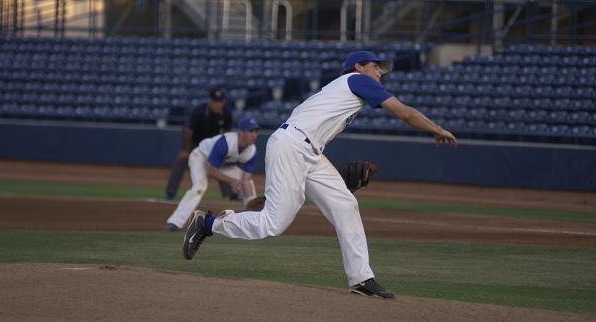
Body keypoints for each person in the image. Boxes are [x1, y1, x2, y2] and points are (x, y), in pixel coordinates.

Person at [181, 51, 458, 299]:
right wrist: (436, 129)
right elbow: (404, 113)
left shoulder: (348, 89)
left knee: (345, 205)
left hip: (309, 151)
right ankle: (207, 224)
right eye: (376, 66)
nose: (380, 72)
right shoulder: (358, 81)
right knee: (273, 223)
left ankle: (361, 278)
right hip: (292, 146)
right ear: (358, 67)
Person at [164, 116, 260, 232]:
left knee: (248, 183)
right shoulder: (225, 143)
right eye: (250, 131)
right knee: (200, 187)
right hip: (200, 158)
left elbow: (245, 179)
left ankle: (254, 221)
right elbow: (211, 171)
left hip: (221, 165)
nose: (254, 134)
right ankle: (174, 222)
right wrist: (231, 181)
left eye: (255, 131)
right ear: (241, 132)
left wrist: (250, 199)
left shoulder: (251, 151)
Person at [164, 87, 233, 201]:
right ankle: (170, 193)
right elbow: (188, 131)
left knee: (223, 162)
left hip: (213, 144)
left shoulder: (226, 112)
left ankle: (232, 194)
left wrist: (224, 151)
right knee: (181, 160)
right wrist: (186, 150)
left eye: (220, 101)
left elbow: (227, 133)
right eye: (215, 101)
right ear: (209, 101)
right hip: (195, 142)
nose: (218, 104)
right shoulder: (199, 111)